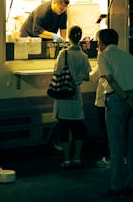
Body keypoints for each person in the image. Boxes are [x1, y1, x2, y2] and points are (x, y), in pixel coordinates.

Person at [96, 28, 133, 199]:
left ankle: (117, 187)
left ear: (102, 43)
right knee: (132, 145)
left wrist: (125, 98)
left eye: (98, 41)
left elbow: (109, 79)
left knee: (116, 146)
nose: (97, 45)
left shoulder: (104, 56)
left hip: (118, 99)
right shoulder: (128, 56)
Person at [53, 26, 91, 168]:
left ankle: (67, 160)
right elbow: (87, 76)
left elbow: (57, 72)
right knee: (78, 129)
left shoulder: (64, 54)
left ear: (68, 38)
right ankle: (77, 159)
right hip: (76, 95)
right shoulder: (84, 56)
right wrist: (78, 77)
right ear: (79, 38)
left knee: (64, 129)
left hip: (63, 95)